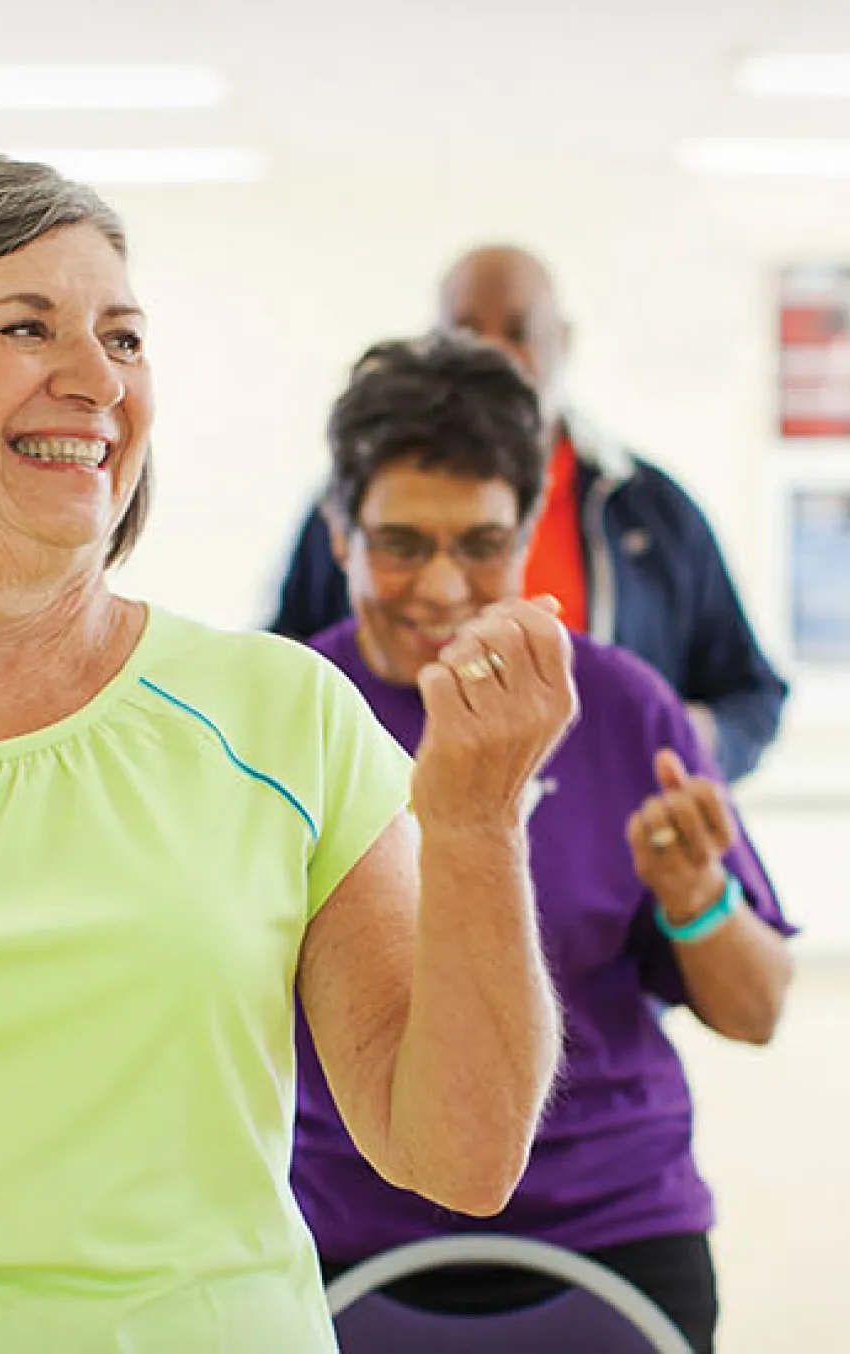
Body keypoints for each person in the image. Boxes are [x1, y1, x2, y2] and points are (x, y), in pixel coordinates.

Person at [0, 155, 575, 1354]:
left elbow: (456, 1154)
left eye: (125, 340)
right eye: (27, 326)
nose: (95, 382)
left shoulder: (278, 711)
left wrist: (475, 823)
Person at [290, 331, 796, 1354]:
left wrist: (695, 894)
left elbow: (755, 1008)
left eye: (479, 544)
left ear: (528, 533)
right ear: (339, 534)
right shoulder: (289, 714)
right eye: (399, 542)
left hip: (611, 1230)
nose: (439, 588)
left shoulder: (616, 704)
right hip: (343, 1232)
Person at [269, 244, 789, 783]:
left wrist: (682, 745)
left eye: (519, 332)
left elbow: (748, 690)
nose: (442, 587)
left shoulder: (652, 512)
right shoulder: (353, 502)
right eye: (402, 543)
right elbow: (283, 663)